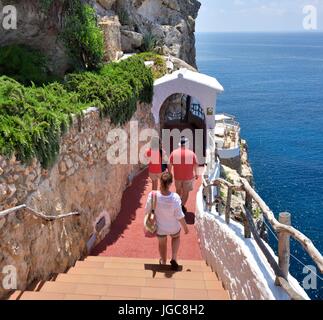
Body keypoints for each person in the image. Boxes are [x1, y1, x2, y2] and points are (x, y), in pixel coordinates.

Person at [145, 172, 189, 270]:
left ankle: (163, 261)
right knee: (176, 237)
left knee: (162, 244)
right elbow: (180, 216)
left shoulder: (152, 195)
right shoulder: (175, 197)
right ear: (171, 183)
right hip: (174, 227)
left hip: (160, 228)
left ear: (160, 182)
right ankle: (173, 258)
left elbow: (147, 211)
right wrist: (186, 228)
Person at [168, 136, 199, 214]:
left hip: (177, 176)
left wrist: (169, 173)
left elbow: (169, 163)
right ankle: (181, 206)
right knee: (186, 192)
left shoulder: (174, 152)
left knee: (178, 191)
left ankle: (177, 205)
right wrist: (196, 173)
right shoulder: (192, 153)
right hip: (188, 177)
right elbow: (196, 164)